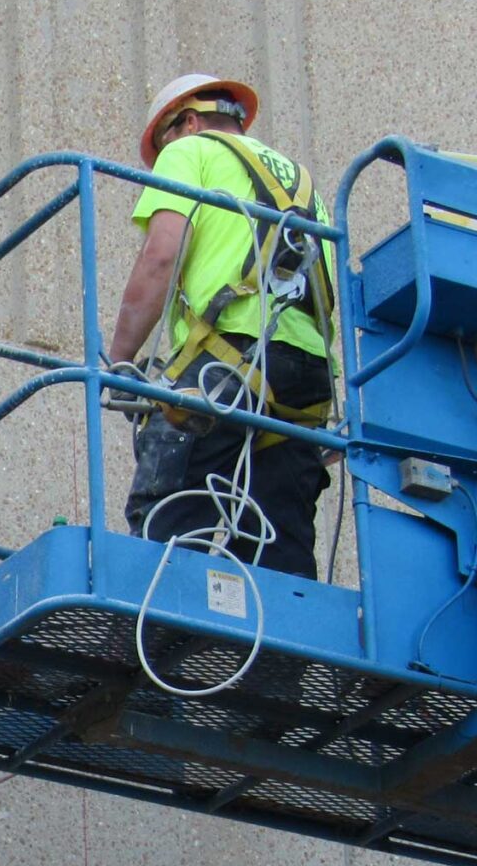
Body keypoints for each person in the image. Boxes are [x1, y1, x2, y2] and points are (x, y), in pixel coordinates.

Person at [107, 74, 337, 577]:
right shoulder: (305, 184)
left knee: (169, 514)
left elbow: (161, 256)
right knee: (278, 545)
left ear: (186, 122)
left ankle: (149, 633)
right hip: (306, 380)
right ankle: (279, 651)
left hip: (231, 361)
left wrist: (119, 360)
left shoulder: (190, 151)